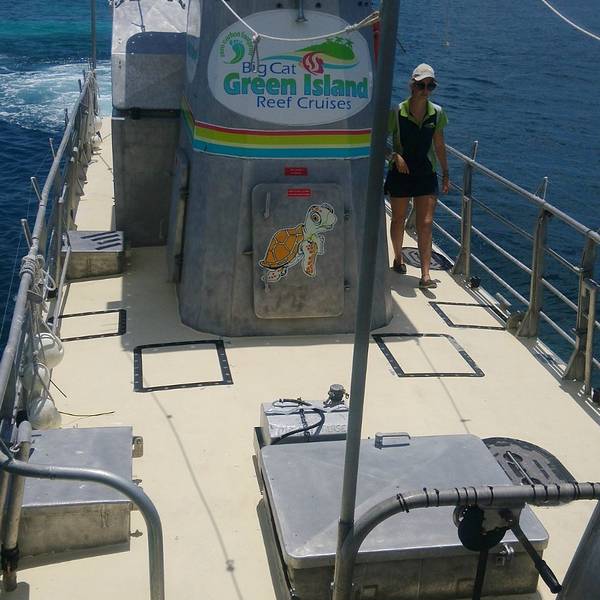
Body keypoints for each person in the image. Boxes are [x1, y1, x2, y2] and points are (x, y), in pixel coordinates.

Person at [384, 63, 449, 289]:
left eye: (430, 86)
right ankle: (398, 258)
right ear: (412, 86)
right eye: (422, 85)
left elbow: (439, 145)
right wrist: (394, 156)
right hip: (400, 172)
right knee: (398, 219)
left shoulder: (437, 113)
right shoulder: (396, 112)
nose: (426, 90)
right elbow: (379, 141)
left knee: (426, 223)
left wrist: (446, 172)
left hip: (426, 172)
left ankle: (425, 274)